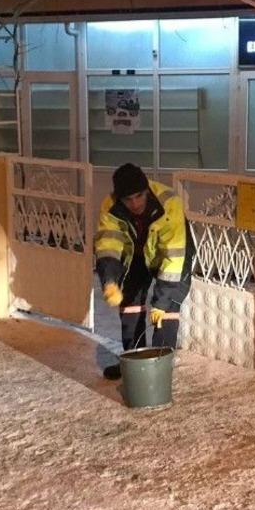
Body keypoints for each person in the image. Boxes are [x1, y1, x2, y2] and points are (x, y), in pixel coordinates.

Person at [95, 163, 193, 380]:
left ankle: (159, 374)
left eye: (139, 196)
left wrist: (161, 302)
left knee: (167, 309)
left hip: (173, 256)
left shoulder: (169, 203)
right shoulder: (111, 207)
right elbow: (108, 245)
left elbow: (172, 255)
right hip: (138, 254)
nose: (135, 203)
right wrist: (110, 281)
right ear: (119, 198)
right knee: (129, 303)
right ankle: (133, 366)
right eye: (128, 199)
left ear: (147, 190)